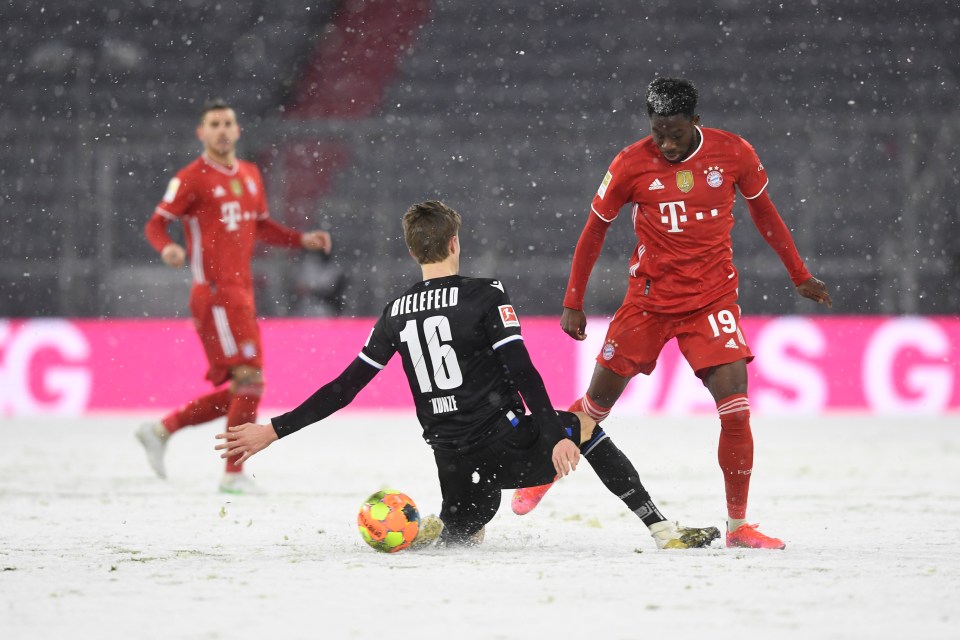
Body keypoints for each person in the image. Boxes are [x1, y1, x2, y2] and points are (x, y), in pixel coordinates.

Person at [215, 200, 720, 549]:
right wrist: (554, 434)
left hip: (455, 461)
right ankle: (662, 530)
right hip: (511, 450)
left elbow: (344, 389)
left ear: (415, 251)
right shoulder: (485, 294)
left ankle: (432, 525)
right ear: (454, 243)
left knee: (465, 529)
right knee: (585, 427)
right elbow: (523, 370)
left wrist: (273, 430)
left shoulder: (394, 312)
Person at [512, 78, 833, 550]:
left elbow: (765, 213)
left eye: (675, 133)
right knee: (594, 408)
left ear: (695, 122)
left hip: (711, 302)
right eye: (658, 131)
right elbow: (593, 233)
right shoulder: (629, 163)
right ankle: (545, 470)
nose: (665, 143)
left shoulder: (734, 153)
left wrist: (799, 274)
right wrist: (573, 300)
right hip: (648, 302)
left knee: (737, 412)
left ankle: (738, 526)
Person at [137, 99, 332, 494]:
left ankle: (162, 430)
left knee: (249, 385)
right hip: (213, 293)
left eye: (228, 122)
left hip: (241, 293)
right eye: (214, 124)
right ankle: (231, 475)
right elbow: (156, 224)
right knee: (250, 378)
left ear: (238, 130)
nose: (223, 130)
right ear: (202, 132)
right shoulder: (191, 178)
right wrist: (167, 249)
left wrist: (299, 239)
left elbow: (261, 226)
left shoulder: (249, 174)